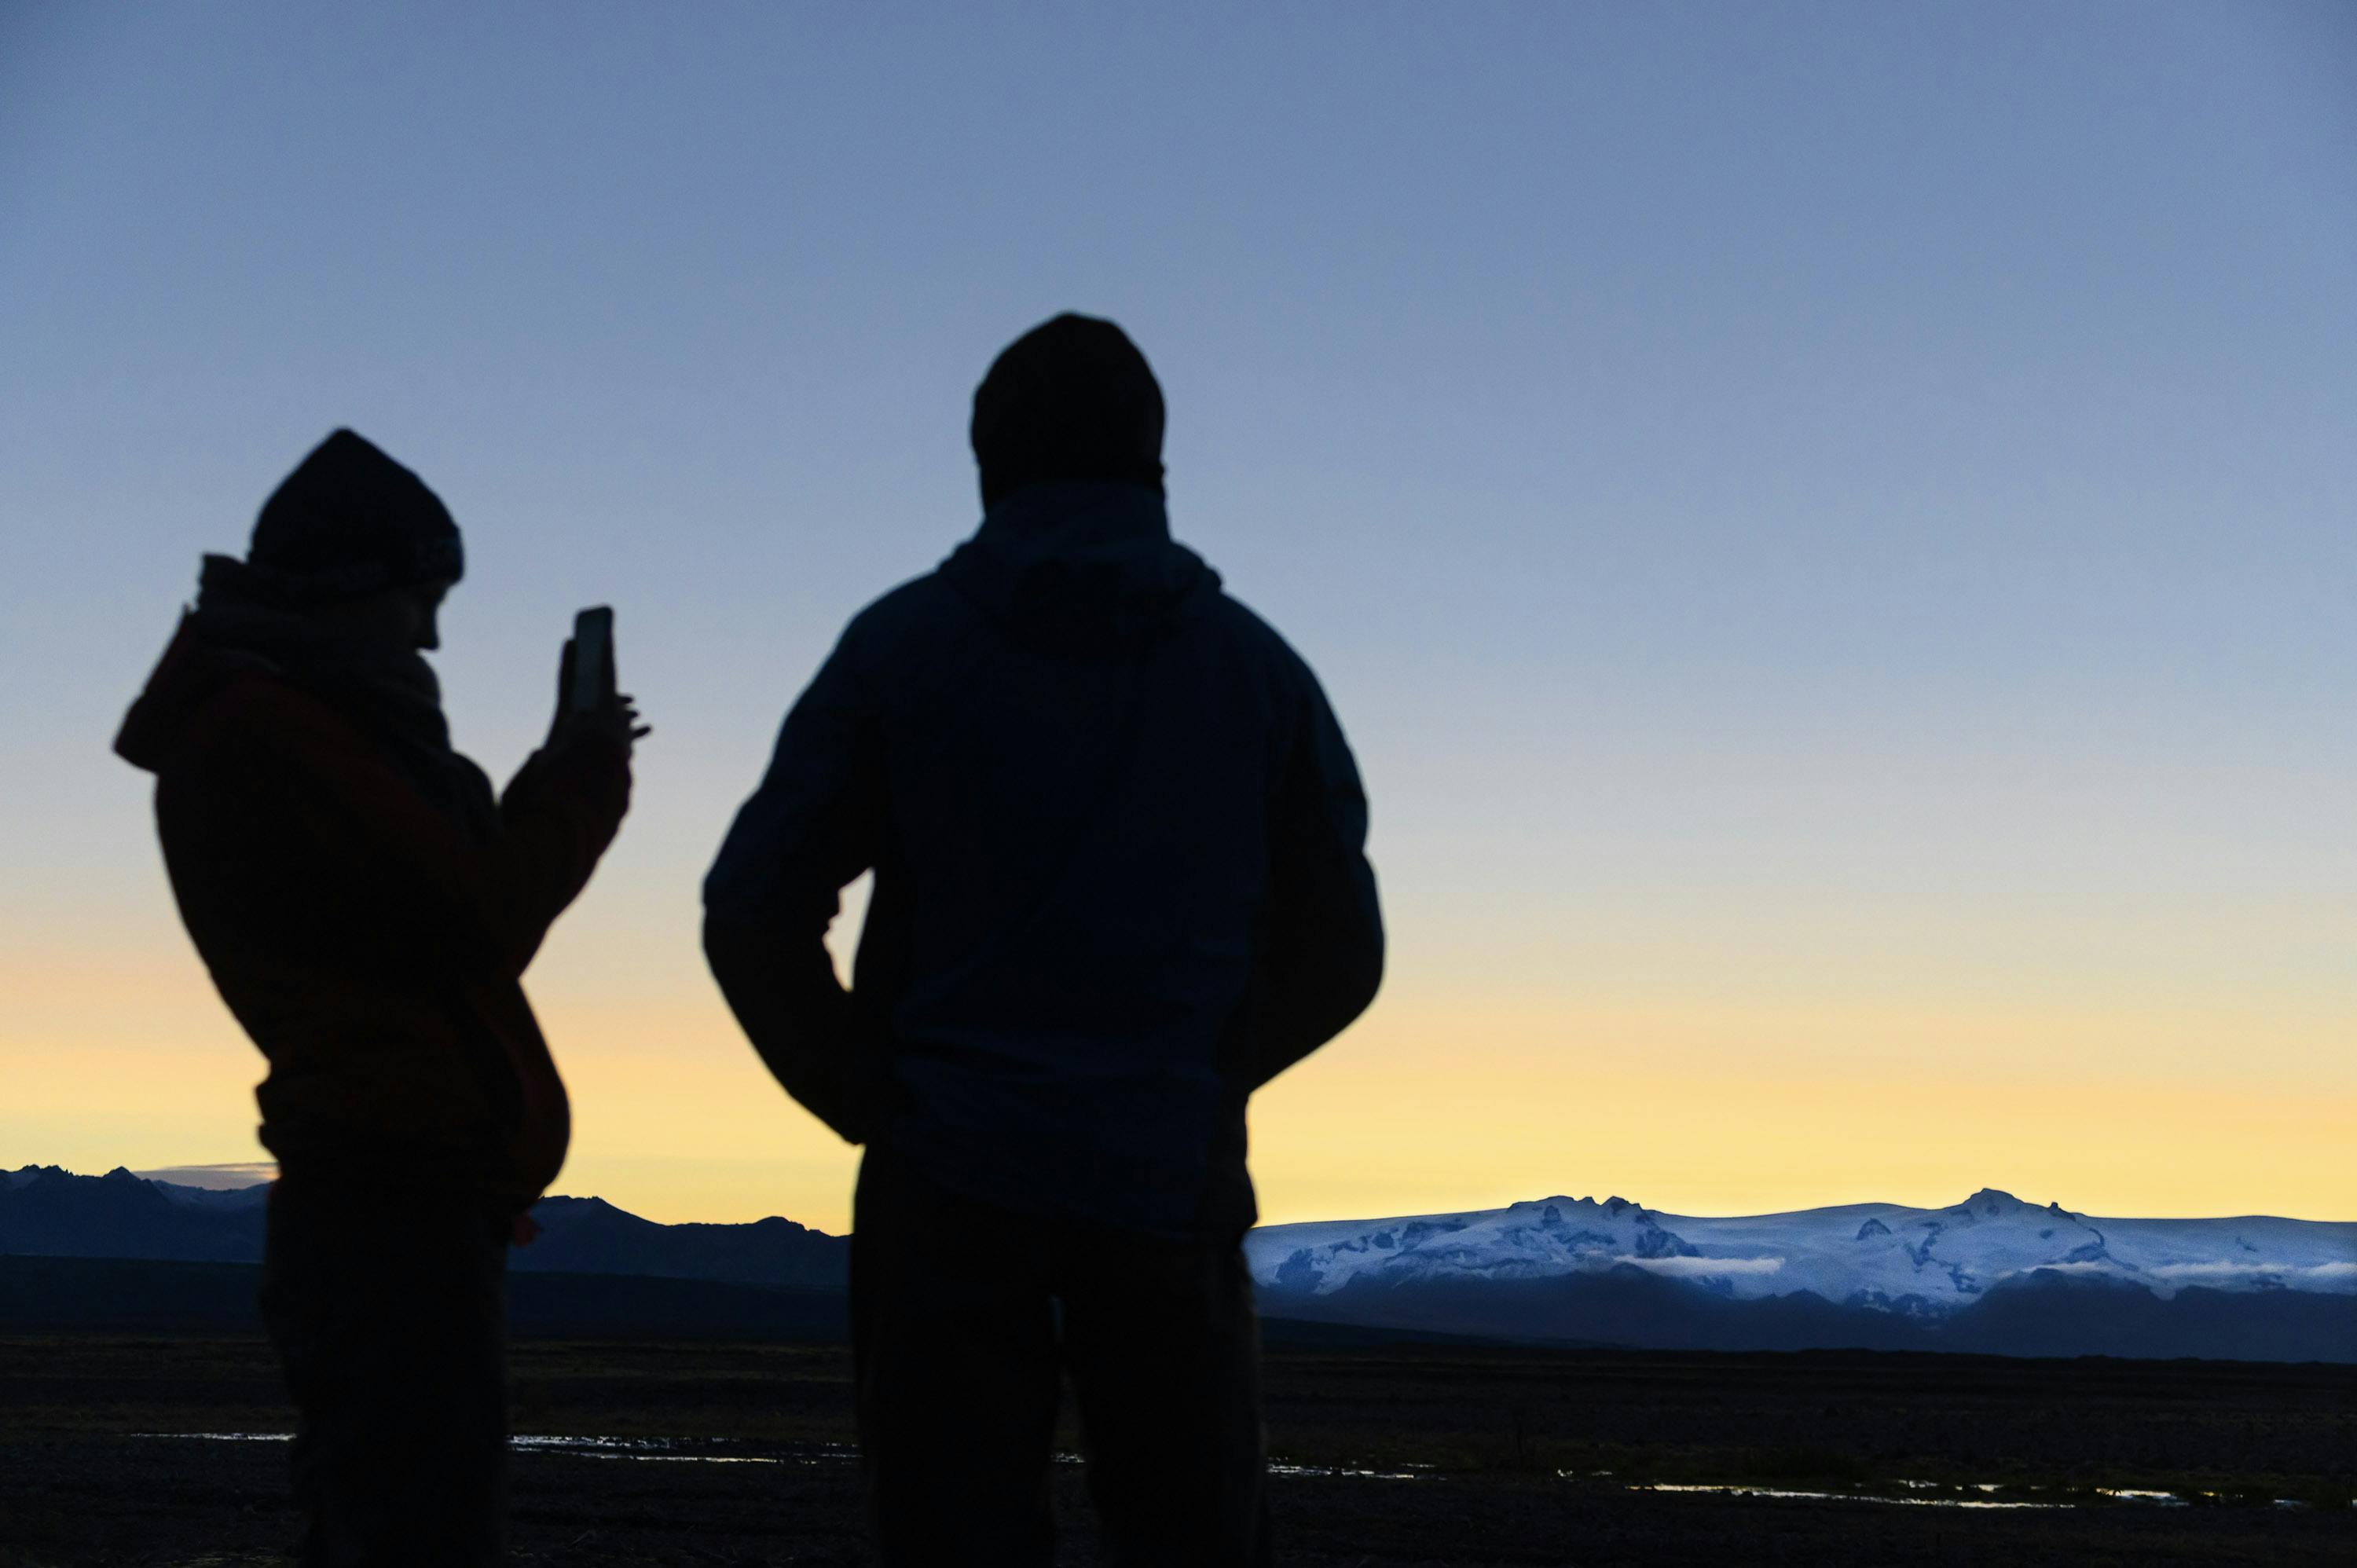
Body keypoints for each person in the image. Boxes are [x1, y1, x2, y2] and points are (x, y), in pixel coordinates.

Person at [703, 313, 1384, 1566]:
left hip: (947, 1184)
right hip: (1164, 1189)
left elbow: (753, 904)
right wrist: (1201, 1068)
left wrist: (864, 1092)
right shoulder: (1252, 674)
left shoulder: (905, 651)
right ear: (1156, 467)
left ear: (986, 465)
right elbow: (1344, 951)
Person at [114, 429, 643, 1566]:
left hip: (400, 1202)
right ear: (357, 588)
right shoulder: (269, 730)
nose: (436, 633)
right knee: (415, 1533)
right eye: (422, 597)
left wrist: (560, 773)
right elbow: (478, 916)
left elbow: (442, 912)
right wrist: (588, 776)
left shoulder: (306, 727)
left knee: (385, 1521)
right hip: (387, 1213)